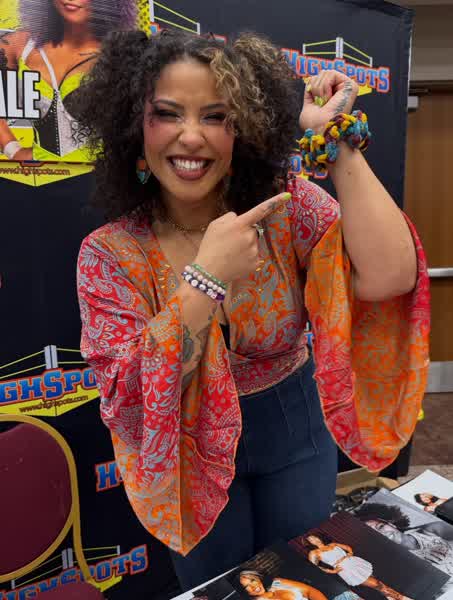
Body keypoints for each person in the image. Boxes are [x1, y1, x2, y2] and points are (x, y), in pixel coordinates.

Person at [75, 29, 429, 590]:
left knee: (308, 577)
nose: (192, 136)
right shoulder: (110, 253)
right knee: (220, 586)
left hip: (294, 429)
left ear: (241, 129)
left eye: (216, 116)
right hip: (185, 451)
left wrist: (334, 139)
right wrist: (206, 280)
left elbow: (391, 276)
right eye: (167, 113)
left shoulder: (285, 207)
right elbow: (131, 398)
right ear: (133, 128)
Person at [0, 0, 137, 161]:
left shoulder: (122, 54)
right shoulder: (18, 45)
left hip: (101, 174)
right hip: (42, 174)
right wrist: (12, 150)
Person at [355, 502, 453, 576]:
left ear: (391, 524)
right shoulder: (397, 566)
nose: (382, 534)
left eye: (380, 527)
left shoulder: (432, 530)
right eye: (374, 535)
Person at [305, 535, 412, 600]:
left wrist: (350, 553)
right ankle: (403, 598)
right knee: (377, 584)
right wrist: (331, 571)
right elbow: (313, 567)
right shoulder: (314, 553)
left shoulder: (332, 544)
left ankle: (394, 598)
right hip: (346, 570)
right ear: (310, 543)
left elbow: (348, 547)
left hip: (356, 563)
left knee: (379, 584)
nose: (315, 540)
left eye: (315, 537)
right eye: (311, 540)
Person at [239, 570, 327, 600]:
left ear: (258, 578)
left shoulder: (276, 582)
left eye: (253, 580)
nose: (254, 586)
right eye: (246, 586)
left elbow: (309, 591)